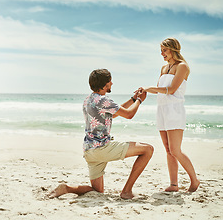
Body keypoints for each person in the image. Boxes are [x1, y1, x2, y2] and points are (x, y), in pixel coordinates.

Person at [49, 69, 153, 199]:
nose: (112, 83)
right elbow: (129, 114)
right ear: (105, 84)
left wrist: (133, 99)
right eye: (110, 81)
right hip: (102, 149)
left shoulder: (89, 100)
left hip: (89, 151)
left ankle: (66, 188)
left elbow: (114, 113)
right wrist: (140, 100)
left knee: (96, 191)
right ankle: (127, 191)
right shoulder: (104, 100)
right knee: (148, 150)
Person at [142, 37, 200, 192]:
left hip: (175, 110)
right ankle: (174, 185)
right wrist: (145, 91)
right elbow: (160, 90)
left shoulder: (182, 66)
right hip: (161, 110)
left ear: (173, 49)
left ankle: (194, 179)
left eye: (164, 50)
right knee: (168, 150)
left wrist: (150, 88)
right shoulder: (163, 68)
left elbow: (172, 90)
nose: (162, 53)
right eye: (160, 51)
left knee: (175, 150)